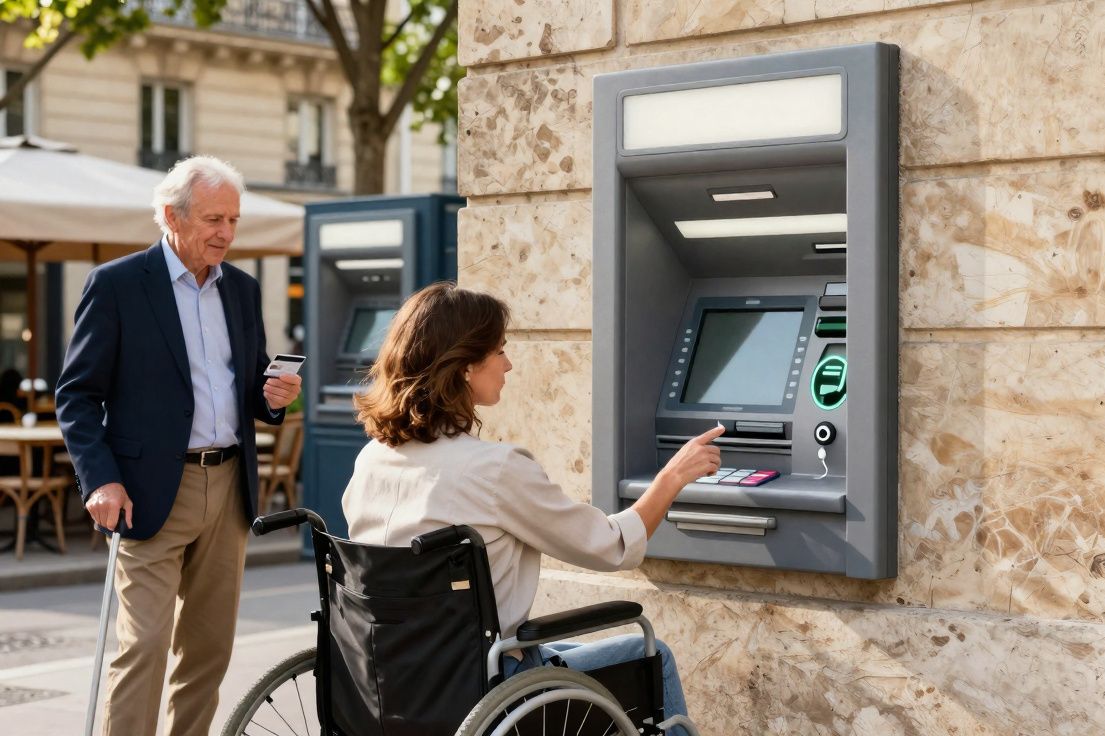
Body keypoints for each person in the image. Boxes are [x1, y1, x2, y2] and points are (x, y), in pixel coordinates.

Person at [342, 282, 721, 733]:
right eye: (499, 350)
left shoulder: (372, 459)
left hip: (391, 682)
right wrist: (672, 477)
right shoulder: (495, 469)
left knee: (567, 656)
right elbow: (609, 546)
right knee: (652, 656)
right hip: (484, 687)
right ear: (465, 365)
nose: (509, 364)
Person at [55, 156, 302, 736]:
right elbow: (77, 395)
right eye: (213, 219)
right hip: (146, 493)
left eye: (233, 220)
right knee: (142, 646)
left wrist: (274, 395)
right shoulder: (116, 286)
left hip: (230, 489)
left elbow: (248, 391)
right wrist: (100, 479)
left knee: (209, 651)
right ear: (171, 215)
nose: (225, 233)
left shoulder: (241, 290)